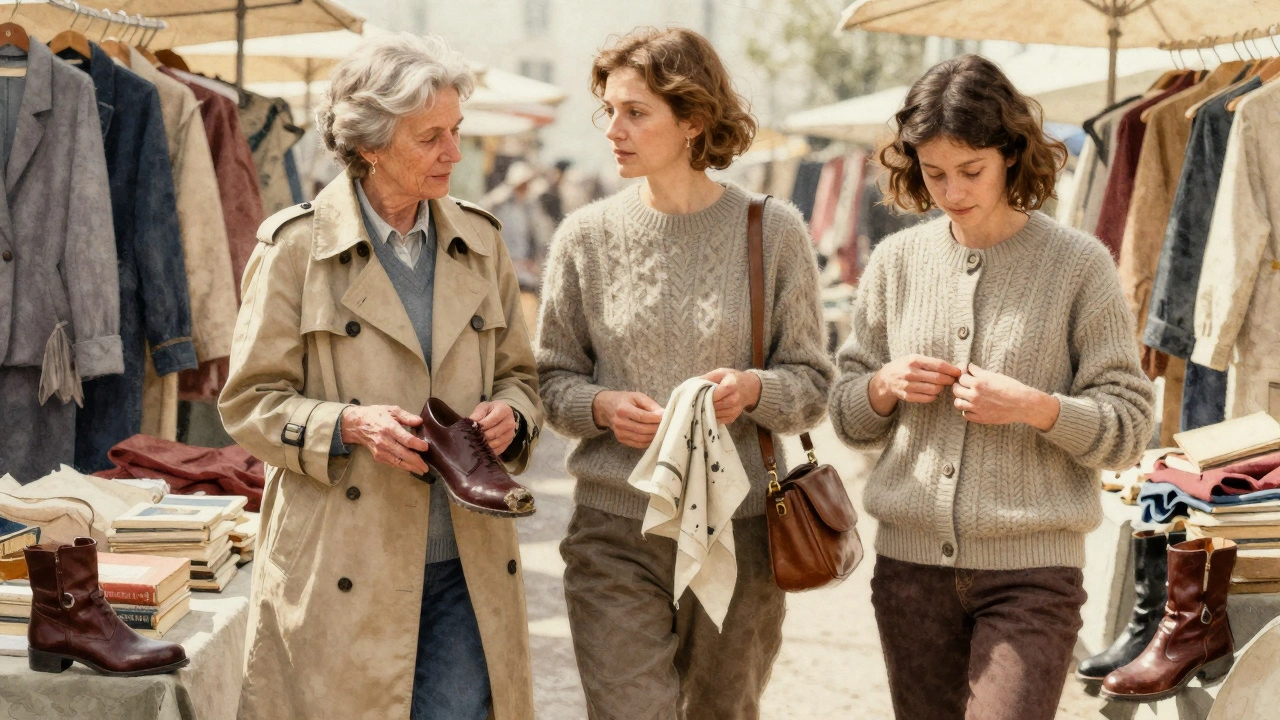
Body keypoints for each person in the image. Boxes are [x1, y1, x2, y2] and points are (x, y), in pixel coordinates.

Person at [218, 33, 543, 720]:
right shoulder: (294, 249)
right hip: (342, 562)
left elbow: (520, 376)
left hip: (468, 560)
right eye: (431, 137)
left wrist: (512, 416)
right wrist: (348, 423)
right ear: (370, 144)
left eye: (456, 131)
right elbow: (250, 402)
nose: (454, 153)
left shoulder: (482, 242)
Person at [828, 54, 1155, 720]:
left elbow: (1128, 426)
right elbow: (847, 415)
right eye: (934, 172)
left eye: (971, 170)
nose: (952, 191)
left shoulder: (1078, 266)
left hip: (1033, 577)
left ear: (1010, 153)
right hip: (911, 572)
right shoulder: (895, 263)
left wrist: (1036, 408)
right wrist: (884, 385)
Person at [535, 27, 834, 719]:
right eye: (609, 110)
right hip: (613, 530)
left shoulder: (772, 230)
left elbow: (813, 385)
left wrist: (754, 390)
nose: (613, 130)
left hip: (743, 530)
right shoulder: (584, 237)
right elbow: (549, 380)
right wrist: (602, 407)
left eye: (635, 112)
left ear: (694, 119)